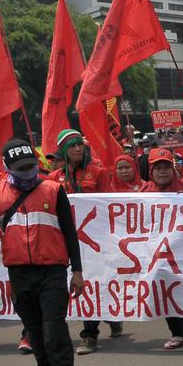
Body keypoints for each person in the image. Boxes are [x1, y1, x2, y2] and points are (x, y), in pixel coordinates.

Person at [0, 140, 87, 366]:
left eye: (30, 167)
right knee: (35, 331)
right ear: (7, 167)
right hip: (18, 272)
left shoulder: (53, 189)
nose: (27, 172)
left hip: (52, 270)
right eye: (20, 168)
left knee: (54, 329)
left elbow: (70, 232)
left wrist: (78, 270)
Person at [49, 128, 120, 353]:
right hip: (63, 238)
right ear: (63, 150)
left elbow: (107, 204)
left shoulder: (97, 172)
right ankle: (110, 316)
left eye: (80, 144)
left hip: (93, 239)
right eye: (72, 145)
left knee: (92, 282)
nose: (78, 148)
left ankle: (90, 334)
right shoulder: (54, 179)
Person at [143, 148, 183, 351]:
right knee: (164, 291)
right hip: (158, 252)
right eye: (157, 168)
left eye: (166, 167)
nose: (162, 172)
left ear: (173, 168)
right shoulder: (144, 193)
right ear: (151, 171)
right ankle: (175, 333)